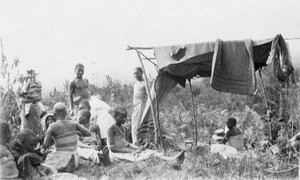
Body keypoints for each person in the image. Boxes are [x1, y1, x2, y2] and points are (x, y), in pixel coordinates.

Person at [107, 106, 185, 167]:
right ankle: (172, 161)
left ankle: (172, 160)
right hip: (116, 154)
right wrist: (130, 151)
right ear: (114, 116)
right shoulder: (111, 129)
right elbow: (112, 148)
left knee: (148, 152)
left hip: (125, 150)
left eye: (125, 118)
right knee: (141, 156)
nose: (124, 120)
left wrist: (138, 148)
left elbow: (127, 143)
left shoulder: (124, 128)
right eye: (121, 118)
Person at [42, 102, 91, 173]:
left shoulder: (52, 126)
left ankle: (63, 166)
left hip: (60, 157)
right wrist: (76, 132)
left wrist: (51, 137)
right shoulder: (73, 123)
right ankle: (68, 164)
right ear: (65, 113)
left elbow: (45, 145)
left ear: (54, 114)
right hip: (75, 159)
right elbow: (88, 133)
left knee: (48, 159)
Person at [131, 67, 148, 145]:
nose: (136, 75)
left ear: (141, 73)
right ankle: (135, 141)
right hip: (135, 105)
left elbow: (149, 95)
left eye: (137, 73)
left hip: (141, 105)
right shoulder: (135, 83)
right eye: (134, 74)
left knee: (139, 124)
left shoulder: (145, 83)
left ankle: (139, 141)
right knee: (134, 124)